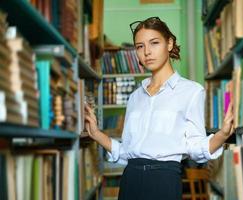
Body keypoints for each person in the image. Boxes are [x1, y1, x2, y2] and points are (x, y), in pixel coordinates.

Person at [84, 16, 234, 200]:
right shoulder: (134, 97)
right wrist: (96, 134)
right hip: (130, 179)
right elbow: (126, 152)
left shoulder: (192, 91)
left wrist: (223, 134)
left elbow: (195, 147)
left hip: (164, 181)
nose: (147, 52)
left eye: (154, 43)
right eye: (140, 46)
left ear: (169, 44)